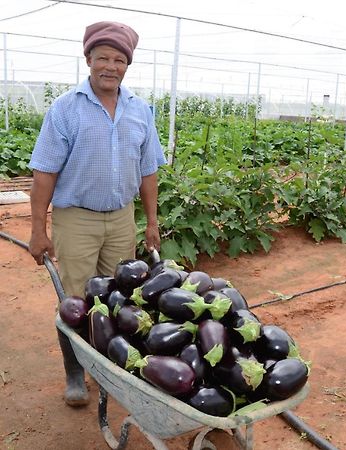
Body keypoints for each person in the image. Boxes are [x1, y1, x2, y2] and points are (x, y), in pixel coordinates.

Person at [28, 21, 167, 406]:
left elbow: (148, 170)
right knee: (75, 301)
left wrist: (151, 221)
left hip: (121, 217)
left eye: (119, 60)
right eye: (102, 57)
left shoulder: (140, 110)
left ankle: (110, 369)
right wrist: (38, 230)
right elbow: (44, 174)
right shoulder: (66, 109)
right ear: (88, 59)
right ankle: (76, 374)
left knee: (120, 298)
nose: (110, 66)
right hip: (77, 219)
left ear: (127, 65)